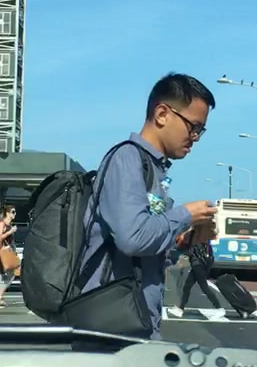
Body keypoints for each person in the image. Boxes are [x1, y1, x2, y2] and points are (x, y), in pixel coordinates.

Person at [78, 73, 220, 340]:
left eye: (200, 130)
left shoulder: (153, 169)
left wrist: (183, 241)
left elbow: (150, 252)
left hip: (135, 321)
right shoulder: (127, 158)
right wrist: (186, 214)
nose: (195, 137)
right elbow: (132, 238)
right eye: (193, 126)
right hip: (110, 326)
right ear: (162, 114)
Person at [0, 205, 19, 307]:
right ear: (7, 213)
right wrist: (10, 232)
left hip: (9, 252)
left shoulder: (9, 225)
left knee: (5, 275)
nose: (14, 214)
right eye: (13, 212)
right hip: (3, 252)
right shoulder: (2, 224)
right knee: (6, 275)